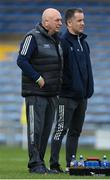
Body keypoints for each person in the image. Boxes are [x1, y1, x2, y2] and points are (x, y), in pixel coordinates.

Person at [17, 8, 63, 174]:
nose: (60, 23)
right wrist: (38, 78)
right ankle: (35, 164)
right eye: (57, 20)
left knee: (44, 131)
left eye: (60, 20)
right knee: (35, 130)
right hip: (35, 93)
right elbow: (21, 60)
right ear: (46, 22)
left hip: (52, 94)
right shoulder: (32, 36)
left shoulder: (56, 40)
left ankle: (41, 164)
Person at [50, 8, 94, 173]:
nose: (83, 23)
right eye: (79, 20)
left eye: (83, 20)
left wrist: (88, 90)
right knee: (61, 129)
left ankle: (71, 164)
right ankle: (54, 164)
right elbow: (57, 69)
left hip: (82, 97)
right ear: (69, 23)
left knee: (75, 132)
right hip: (66, 96)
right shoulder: (62, 42)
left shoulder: (84, 43)